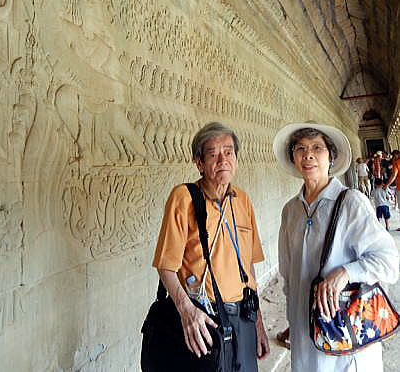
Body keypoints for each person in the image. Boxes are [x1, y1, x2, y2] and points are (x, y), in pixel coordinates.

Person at [273, 122, 399, 372]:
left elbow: (389, 261)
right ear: (293, 158)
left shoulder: (351, 203)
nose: (308, 155)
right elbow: (288, 274)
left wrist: (345, 273)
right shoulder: (291, 210)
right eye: (300, 148)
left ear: (331, 156)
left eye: (317, 148)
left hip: (344, 332)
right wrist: (294, 319)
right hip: (305, 331)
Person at [153, 122, 270, 371]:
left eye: (228, 152)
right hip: (205, 319)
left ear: (236, 159)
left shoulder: (243, 200)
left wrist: (258, 321)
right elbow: (166, 266)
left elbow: (248, 266)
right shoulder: (184, 198)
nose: (222, 160)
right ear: (199, 163)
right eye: (213, 154)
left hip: (244, 317)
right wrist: (187, 312)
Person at [385, 150, 400, 219]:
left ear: (396, 155)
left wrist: (387, 185)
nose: (393, 158)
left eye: (393, 156)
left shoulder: (397, 163)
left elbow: (394, 175)